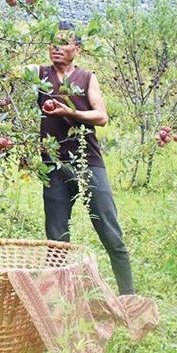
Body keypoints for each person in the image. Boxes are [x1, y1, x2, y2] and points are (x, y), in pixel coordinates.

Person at [29, 21, 136, 295]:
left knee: (110, 233)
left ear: (76, 48)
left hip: (87, 162)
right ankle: (59, 301)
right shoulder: (40, 75)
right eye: (53, 43)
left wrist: (72, 112)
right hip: (53, 165)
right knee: (56, 239)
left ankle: (129, 296)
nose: (57, 49)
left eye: (64, 43)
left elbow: (101, 116)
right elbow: (4, 73)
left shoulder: (87, 78)